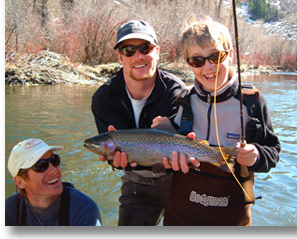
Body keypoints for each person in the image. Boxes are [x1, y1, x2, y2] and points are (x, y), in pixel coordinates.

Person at [154, 18, 281, 225]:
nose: (208, 67)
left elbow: (273, 151)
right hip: (180, 218)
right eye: (197, 61)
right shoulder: (182, 101)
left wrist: (256, 155)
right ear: (188, 64)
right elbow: (167, 155)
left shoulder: (252, 102)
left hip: (232, 218)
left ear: (230, 54)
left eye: (215, 56)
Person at [91, 20, 187, 225]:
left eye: (146, 48)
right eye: (129, 50)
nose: (138, 56)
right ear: (119, 57)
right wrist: (112, 159)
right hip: (137, 182)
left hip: (181, 177)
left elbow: (184, 138)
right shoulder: (105, 97)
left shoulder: (177, 92)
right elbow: (113, 153)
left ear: (157, 51)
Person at [5, 138, 102, 226]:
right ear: (20, 182)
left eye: (54, 160)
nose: (54, 170)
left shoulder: (84, 209)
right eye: (41, 165)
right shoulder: (8, 212)